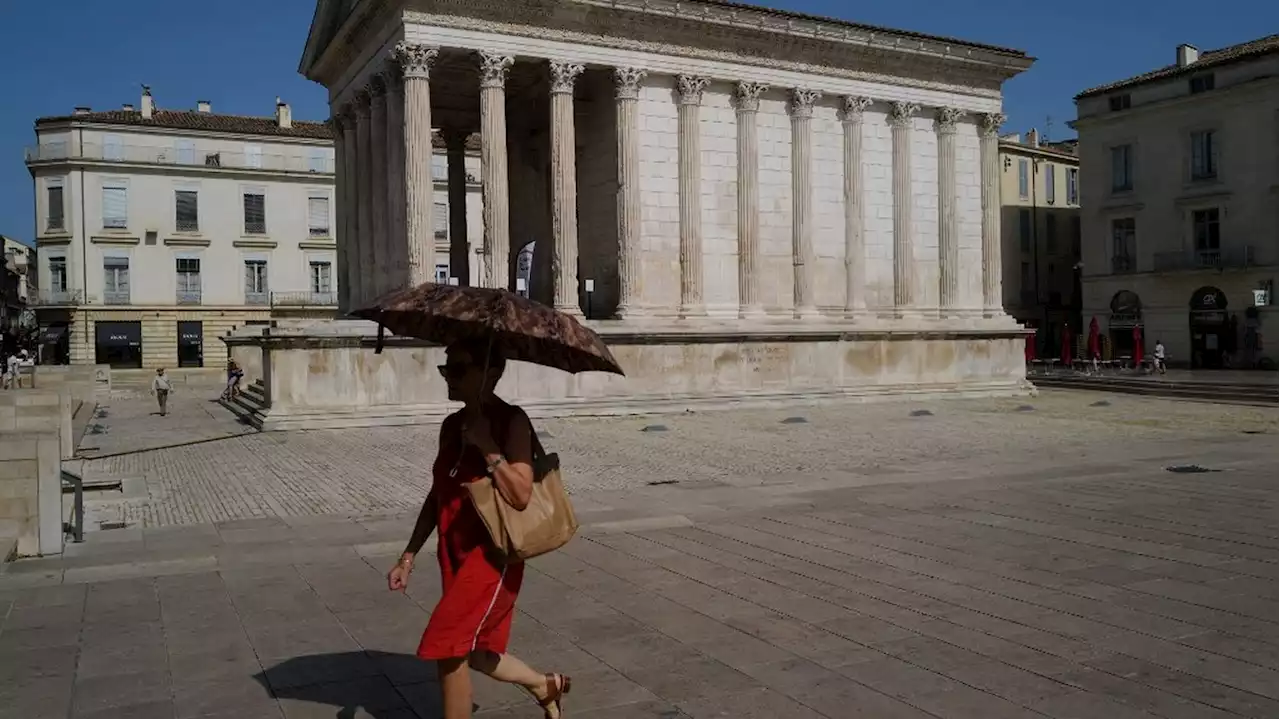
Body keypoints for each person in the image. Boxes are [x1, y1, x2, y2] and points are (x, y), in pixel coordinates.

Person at [387, 338, 570, 719]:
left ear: (491, 373)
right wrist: (408, 555)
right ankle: (544, 685)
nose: (448, 377)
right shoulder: (452, 426)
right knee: (475, 651)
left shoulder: (511, 421)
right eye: (445, 368)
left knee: (447, 646)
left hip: (491, 556)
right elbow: (438, 495)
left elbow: (520, 494)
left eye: (458, 369)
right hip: (453, 552)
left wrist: (488, 448)